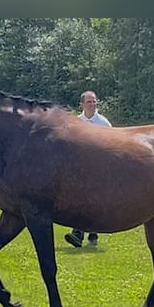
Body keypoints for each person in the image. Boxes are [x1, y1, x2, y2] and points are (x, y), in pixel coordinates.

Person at [64, 90, 112, 249]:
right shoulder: (75, 123)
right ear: (82, 105)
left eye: (94, 101)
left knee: (90, 201)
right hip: (80, 169)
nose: (92, 104)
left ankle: (80, 233)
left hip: (98, 168)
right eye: (89, 102)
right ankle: (88, 232)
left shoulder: (104, 123)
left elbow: (112, 145)